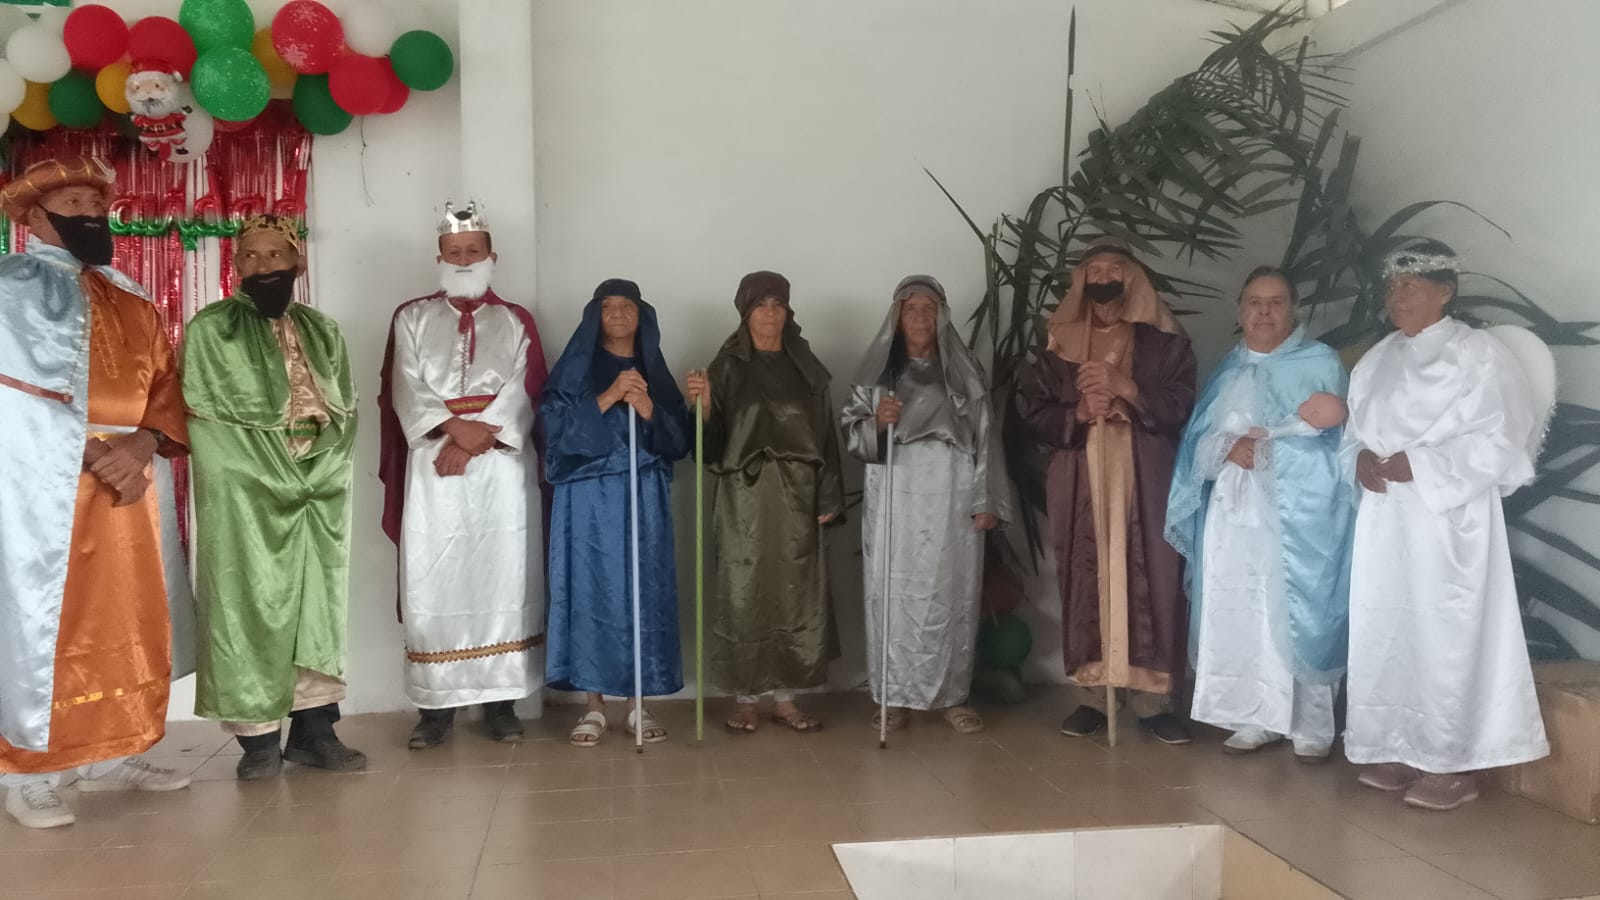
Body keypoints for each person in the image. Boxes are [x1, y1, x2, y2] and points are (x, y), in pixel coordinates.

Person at [0, 156, 193, 828]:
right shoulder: (7, 288)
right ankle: (27, 770)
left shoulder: (129, 295)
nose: (90, 215)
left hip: (130, 483)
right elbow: (13, 397)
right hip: (41, 485)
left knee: (126, 614)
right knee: (46, 618)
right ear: (33, 218)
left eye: (96, 204)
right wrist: (89, 450)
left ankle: (112, 750)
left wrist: (139, 447)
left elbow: (165, 387)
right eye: (74, 204)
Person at [1342, 241, 1548, 811]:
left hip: (1448, 520)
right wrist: (1359, 460)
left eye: (1409, 286)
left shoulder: (1476, 353)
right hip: (1386, 518)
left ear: (1445, 291)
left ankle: (1452, 762)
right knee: (1388, 628)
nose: (1397, 297)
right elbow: (1354, 431)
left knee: (1445, 634)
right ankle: (1394, 745)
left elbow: (1502, 434)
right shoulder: (1377, 358)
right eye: (1392, 287)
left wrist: (1423, 465)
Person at [184, 214, 365, 780]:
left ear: (297, 263)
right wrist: (269, 471)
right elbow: (206, 419)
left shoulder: (322, 330)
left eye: (274, 255)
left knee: (316, 603)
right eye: (249, 257)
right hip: (244, 490)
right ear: (236, 265)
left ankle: (315, 731)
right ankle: (258, 741)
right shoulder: (212, 328)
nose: (261, 266)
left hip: (318, 484)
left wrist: (319, 466)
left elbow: (344, 411)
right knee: (248, 602)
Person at [378, 201, 548, 750]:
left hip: (501, 466)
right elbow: (404, 384)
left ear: (492, 257)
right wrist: (453, 429)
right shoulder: (411, 317)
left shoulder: (515, 319)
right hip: (434, 464)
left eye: (474, 250)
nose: (465, 259)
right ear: (440, 259)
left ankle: (501, 702)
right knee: (435, 571)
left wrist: (480, 437)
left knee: (504, 570)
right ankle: (436, 708)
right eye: (455, 252)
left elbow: (528, 386)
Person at [1166, 267, 1353, 762]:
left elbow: (1340, 447)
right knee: (1242, 608)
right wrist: (1225, 449)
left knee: (1298, 609)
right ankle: (1254, 715)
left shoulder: (1320, 363)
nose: (1264, 312)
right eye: (1254, 302)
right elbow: (1195, 442)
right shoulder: (1227, 369)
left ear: (1294, 309)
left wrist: (1269, 452)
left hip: (1296, 518)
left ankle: (1311, 725)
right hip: (1231, 520)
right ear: (1240, 310)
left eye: (1275, 302)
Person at [1019, 243, 1196, 744]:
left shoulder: (1166, 342)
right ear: (1082, 281)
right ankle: (1095, 695)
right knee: (1085, 574)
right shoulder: (1059, 342)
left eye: (1114, 268)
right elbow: (1034, 412)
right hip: (1081, 476)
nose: (1104, 278)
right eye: (1093, 270)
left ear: (1132, 277)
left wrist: (1127, 388)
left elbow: (1185, 406)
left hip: (1148, 476)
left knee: (1154, 575)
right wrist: (1077, 412)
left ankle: (1154, 700)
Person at [840, 275, 1011, 733]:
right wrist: (876, 424)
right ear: (897, 318)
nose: (920, 317)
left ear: (942, 316)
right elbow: (852, 436)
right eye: (911, 309)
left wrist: (986, 499)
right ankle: (892, 697)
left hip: (952, 491)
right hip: (895, 491)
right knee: (893, 593)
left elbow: (985, 437)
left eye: (929, 308)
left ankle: (953, 696)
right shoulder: (877, 374)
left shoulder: (966, 372)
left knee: (951, 592)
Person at [686, 271, 844, 735]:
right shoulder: (726, 367)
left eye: (778, 304)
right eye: (761, 305)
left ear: (788, 311)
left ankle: (787, 699)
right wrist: (703, 407)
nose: (770, 314)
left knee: (796, 592)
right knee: (743, 589)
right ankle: (745, 698)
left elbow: (826, 433)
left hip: (800, 493)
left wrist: (829, 493)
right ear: (745, 312)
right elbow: (707, 447)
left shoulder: (806, 366)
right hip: (744, 494)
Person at [543, 279, 691, 747]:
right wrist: (607, 396)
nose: (619, 314)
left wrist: (647, 408)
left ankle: (637, 703)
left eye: (628, 305)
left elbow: (679, 441)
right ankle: (593, 705)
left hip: (643, 493)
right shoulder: (576, 369)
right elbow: (554, 433)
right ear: (596, 316)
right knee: (591, 591)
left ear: (642, 315)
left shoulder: (653, 370)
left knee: (643, 590)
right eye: (608, 306)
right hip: (587, 497)